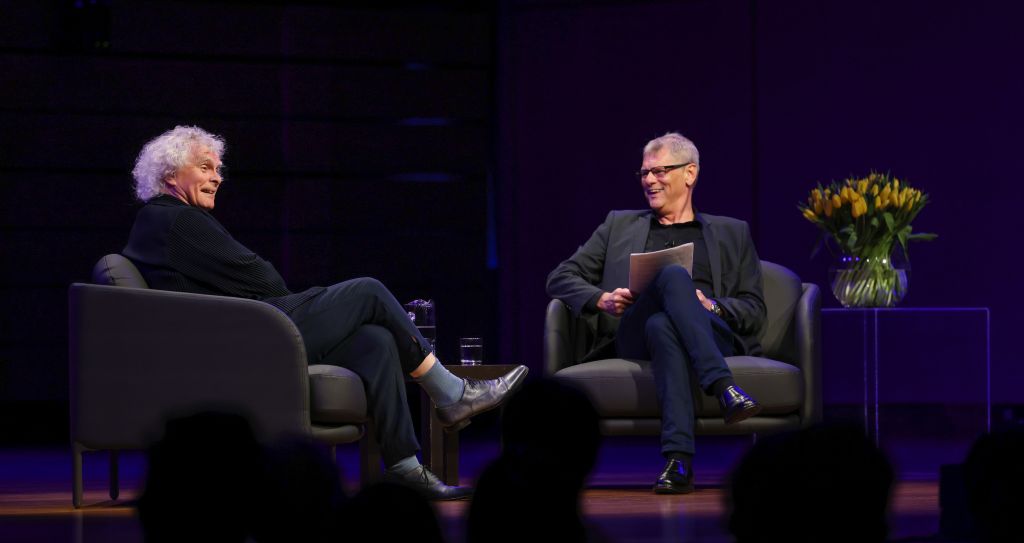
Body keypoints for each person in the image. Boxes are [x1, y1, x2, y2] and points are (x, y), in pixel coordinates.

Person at [122, 125, 527, 500]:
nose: (218, 177)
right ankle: (451, 392)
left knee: (376, 340)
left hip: (243, 329)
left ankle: (404, 466)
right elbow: (265, 281)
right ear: (172, 175)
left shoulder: (160, 222)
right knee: (368, 290)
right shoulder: (177, 219)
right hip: (249, 337)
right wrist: (264, 280)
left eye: (219, 169)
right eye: (206, 168)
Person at [546, 132, 763, 494]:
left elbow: (754, 309)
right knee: (672, 277)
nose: (649, 180)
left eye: (660, 171)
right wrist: (602, 299)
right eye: (644, 173)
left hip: (707, 333)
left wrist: (710, 305)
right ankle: (723, 387)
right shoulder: (618, 225)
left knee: (665, 325)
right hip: (633, 333)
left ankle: (678, 461)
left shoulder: (732, 233)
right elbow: (559, 277)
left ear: (690, 173)